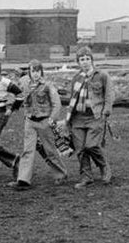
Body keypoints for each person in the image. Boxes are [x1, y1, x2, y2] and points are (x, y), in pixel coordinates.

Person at [9, 59, 68, 190]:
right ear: (29, 73)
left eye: (38, 71)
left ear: (41, 72)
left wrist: (52, 119)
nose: (35, 74)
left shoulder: (47, 85)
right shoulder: (24, 83)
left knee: (50, 150)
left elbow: (56, 103)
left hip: (44, 121)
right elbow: (16, 92)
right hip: (30, 121)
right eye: (33, 71)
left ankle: (61, 174)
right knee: (27, 150)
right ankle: (23, 179)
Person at [64, 46, 115, 189]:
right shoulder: (76, 78)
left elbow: (109, 95)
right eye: (82, 60)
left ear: (92, 60)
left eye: (87, 59)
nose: (85, 62)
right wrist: (68, 119)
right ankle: (86, 177)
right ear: (78, 62)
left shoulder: (102, 76)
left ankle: (105, 168)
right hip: (78, 118)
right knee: (80, 149)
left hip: (95, 116)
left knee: (91, 145)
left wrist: (106, 111)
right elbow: (72, 99)